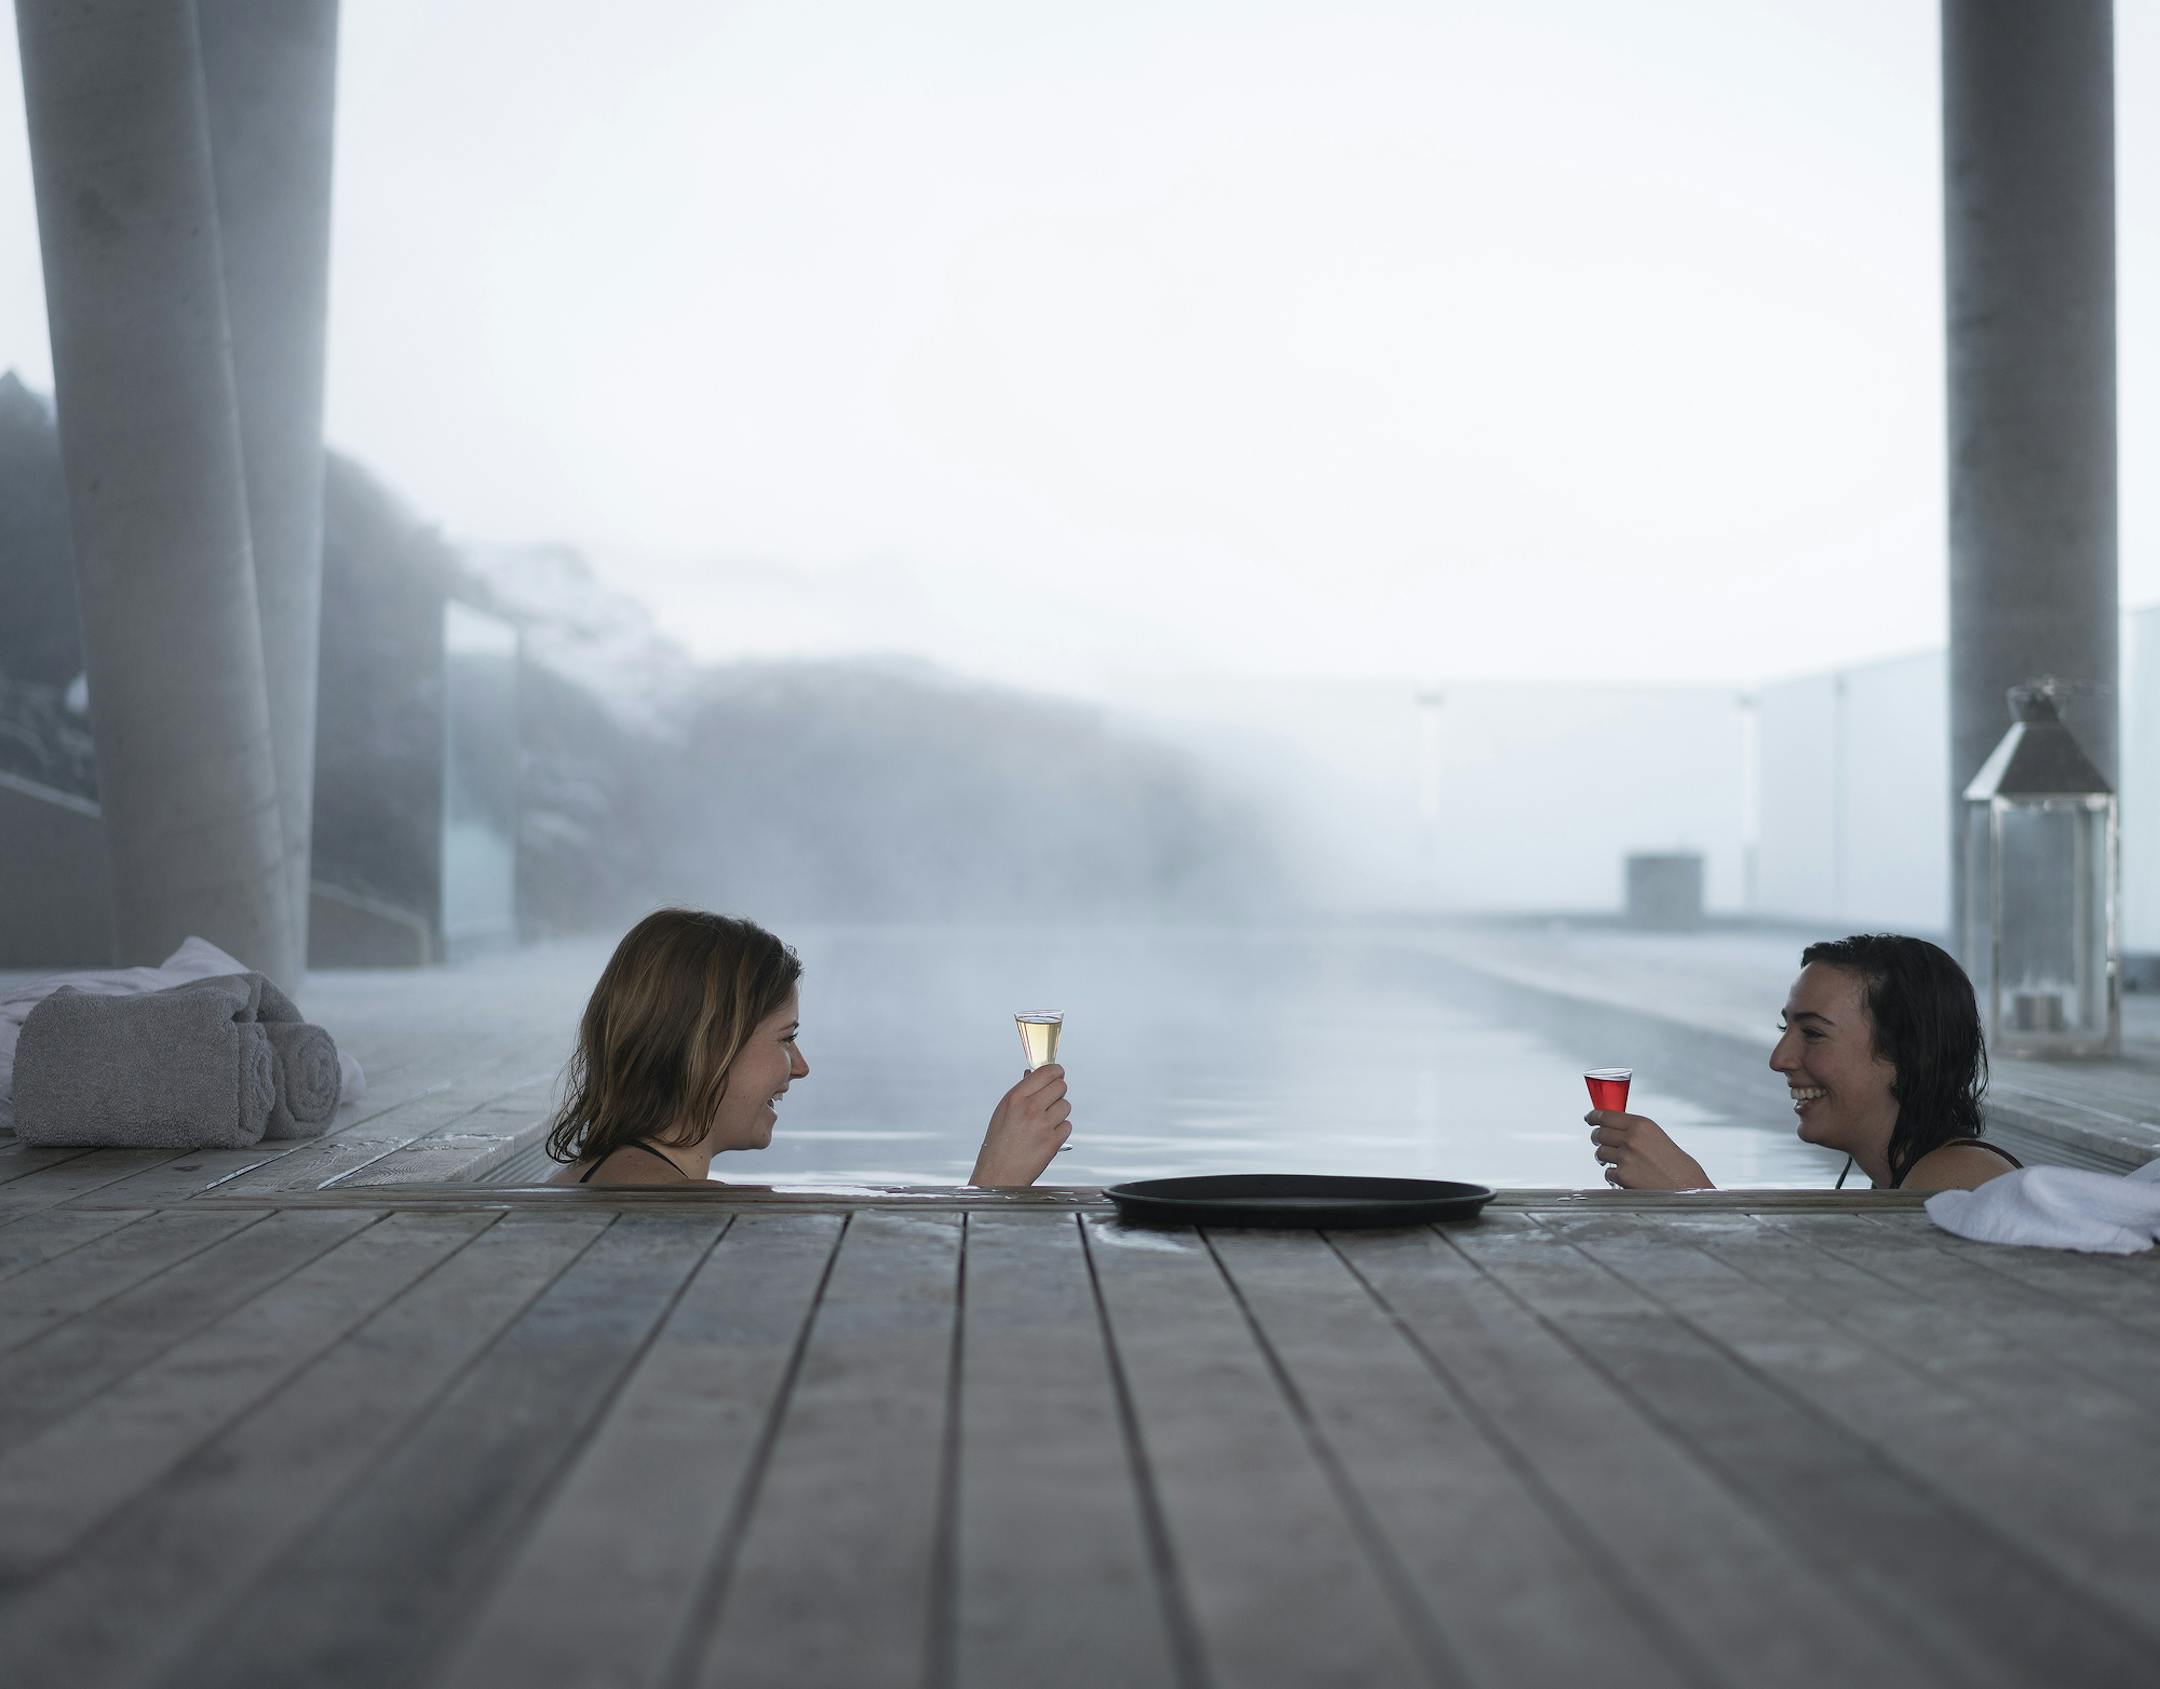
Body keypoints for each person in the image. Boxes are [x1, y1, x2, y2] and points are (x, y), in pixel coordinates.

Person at [546, 909, 1071, 1187]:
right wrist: (995, 1182)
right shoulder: (694, 1222)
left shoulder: (584, 1182)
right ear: (707, 1047)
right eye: (786, 1039)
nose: (801, 1067)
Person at [1588, 933, 2022, 1194]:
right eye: (1786, 1031)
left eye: (1812, 1033)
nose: (1780, 1059)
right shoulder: (1908, 1177)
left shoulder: (1959, 1181)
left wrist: (1693, 1196)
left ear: (1906, 1052)